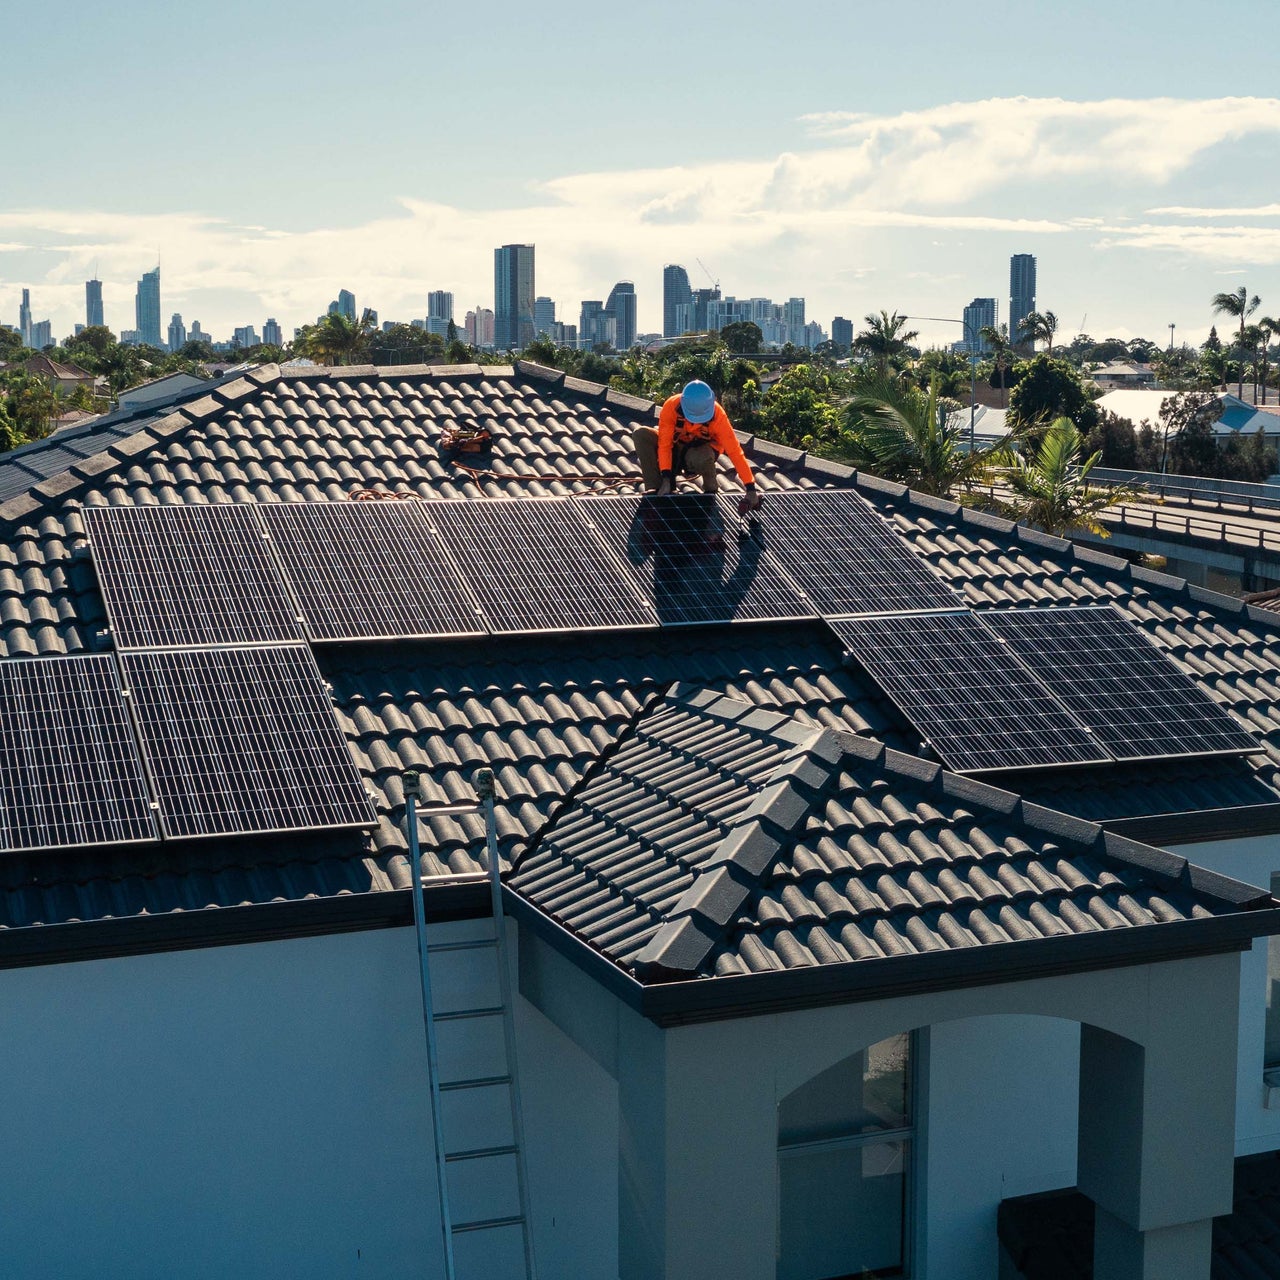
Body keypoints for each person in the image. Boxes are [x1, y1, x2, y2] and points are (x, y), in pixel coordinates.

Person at [632, 380, 762, 513]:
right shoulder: (671, 406)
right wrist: (666, 478)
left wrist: (750, 488)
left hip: (700, 454)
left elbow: (735, 451)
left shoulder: (718, 415)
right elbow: (665, 445)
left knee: (703, 457)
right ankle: (656, 489)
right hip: (676, 449)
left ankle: (710, 491)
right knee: (641, 435)